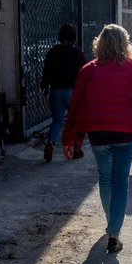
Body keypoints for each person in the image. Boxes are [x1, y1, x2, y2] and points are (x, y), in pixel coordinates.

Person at [62, 24, 132, 253]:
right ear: (125, 44)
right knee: (120, 181)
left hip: (99, 134)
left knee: (105, 179)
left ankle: (111, 222)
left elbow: (75, 106)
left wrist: (69, 138)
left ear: (100, 44)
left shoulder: (88, 70)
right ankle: (114, 231)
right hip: (127, 133)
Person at [41, 24, 86, 162]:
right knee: (77, 121)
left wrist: (44, 87)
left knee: (57, 121)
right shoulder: (77, 53)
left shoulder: (52, 51)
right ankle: (77, 149)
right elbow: (84, 72)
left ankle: (50, 144)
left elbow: (46, 71)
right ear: (74, 37)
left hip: (55, 90)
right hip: (72, 92)